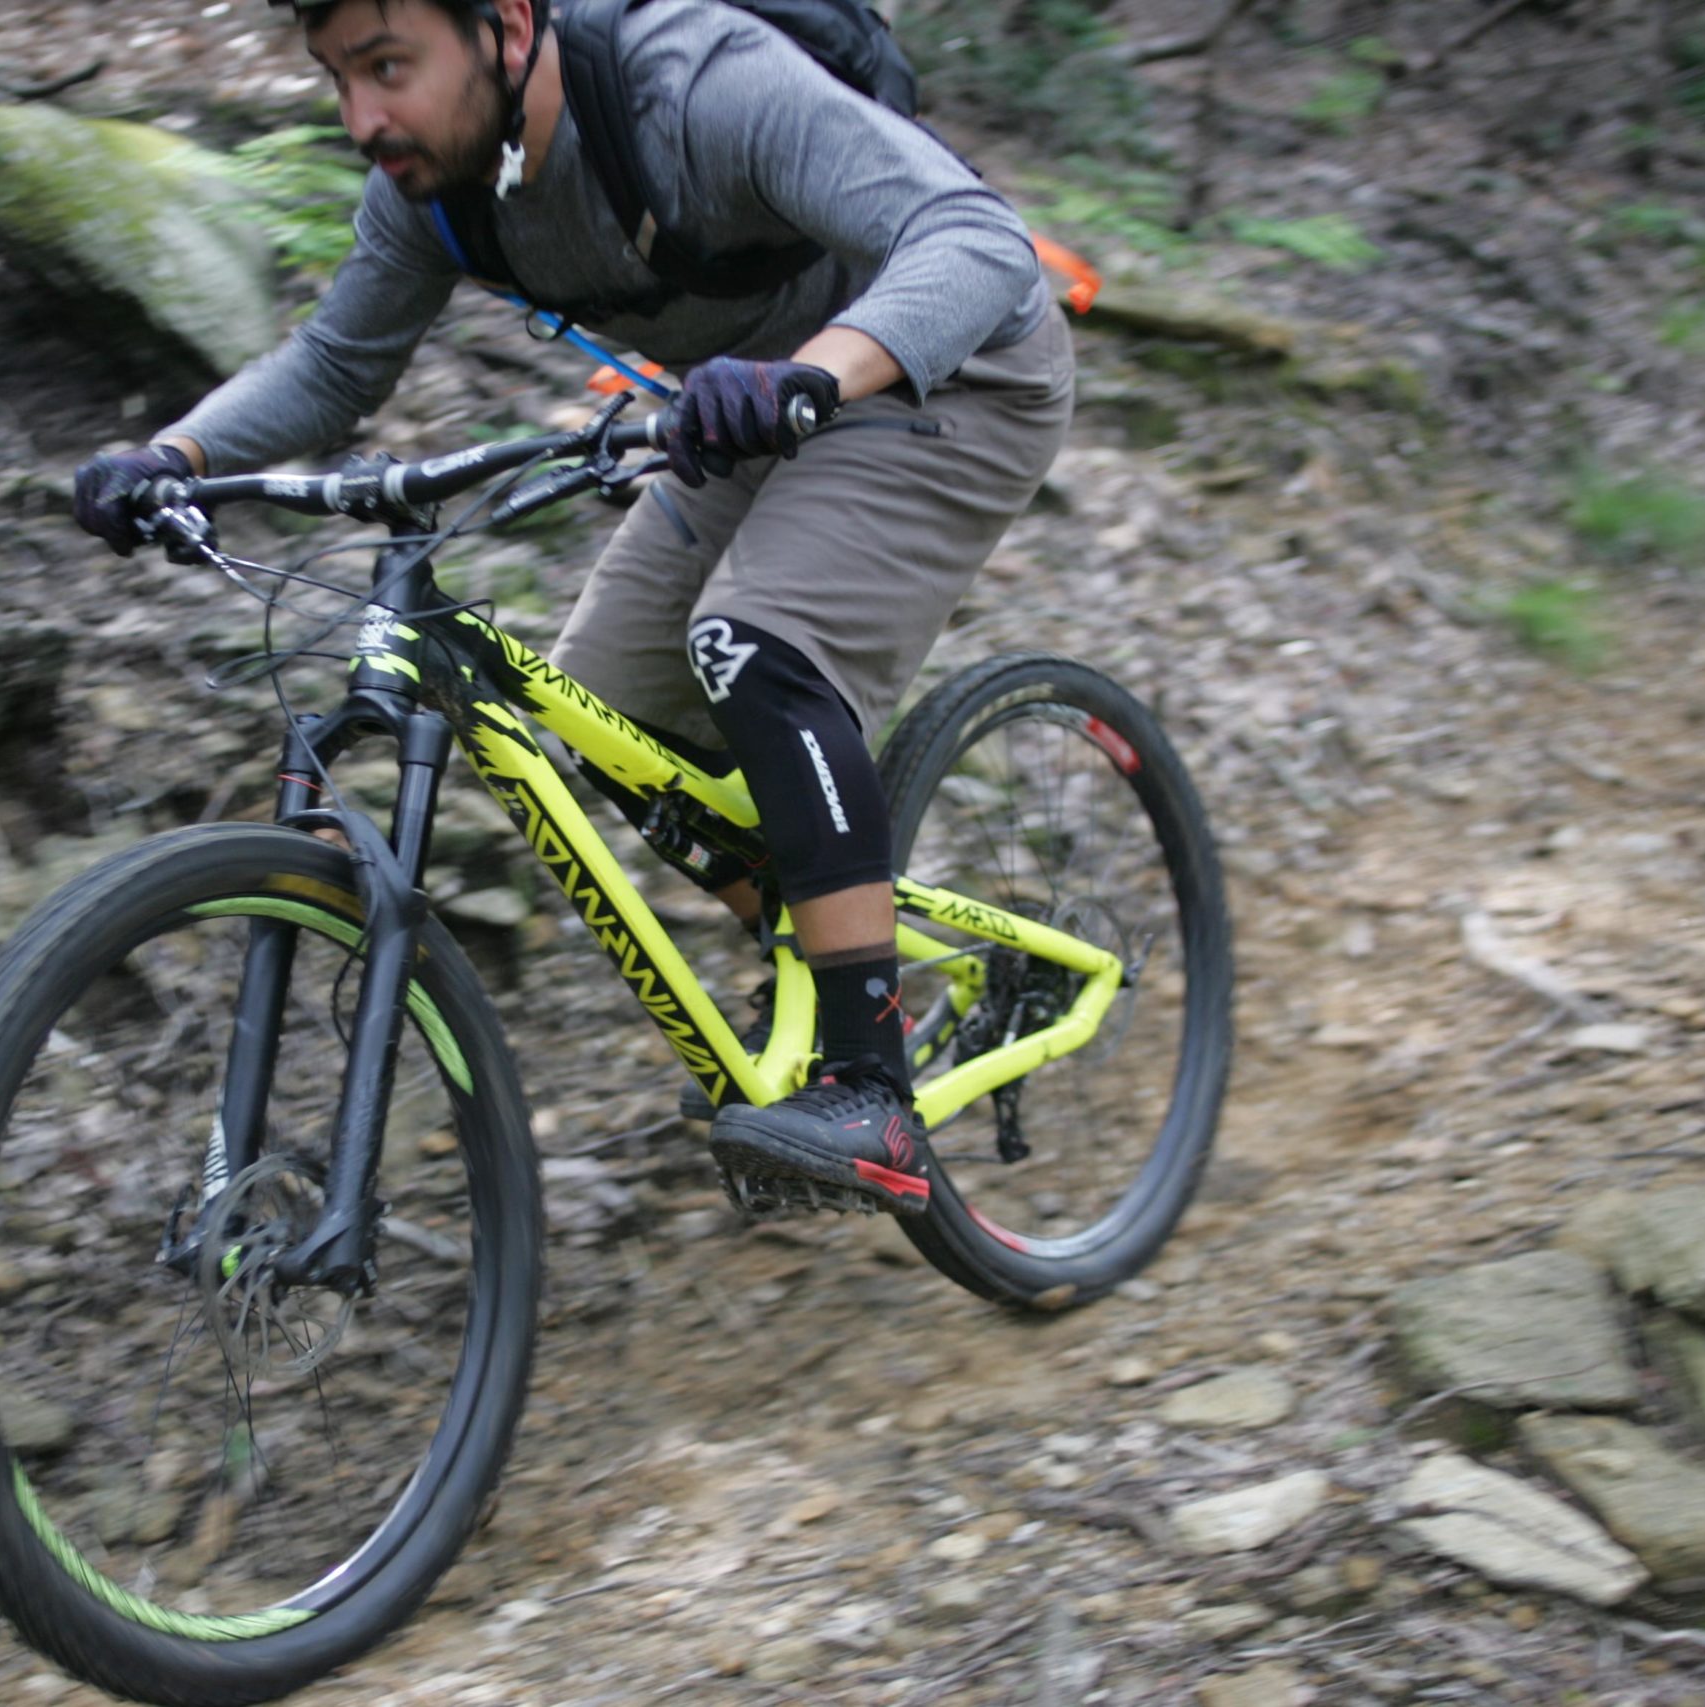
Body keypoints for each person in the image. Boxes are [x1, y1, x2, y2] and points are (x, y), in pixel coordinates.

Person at [74, 0, 1073, 1218]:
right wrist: (173, 456)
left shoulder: (695, 82)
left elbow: (976, 239)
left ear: (503, 24)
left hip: (948, 370)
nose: (362, 118)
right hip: (743, 410)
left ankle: (871, 1081)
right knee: (601, 710)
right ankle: (824, 955)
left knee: (752, 646)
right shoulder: (435, 186)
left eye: (388, 67)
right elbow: (337, 366)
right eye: (336, 78)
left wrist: (816, 373)